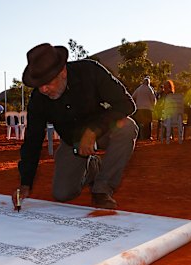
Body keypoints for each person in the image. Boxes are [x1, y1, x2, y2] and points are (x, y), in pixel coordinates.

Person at [13, 43, 138, 210]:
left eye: (48, 82)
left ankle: (102, 188)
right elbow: (32, 140)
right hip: (72, 142)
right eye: (39, 84)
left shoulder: (90, 71)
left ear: (63, 72)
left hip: (104, 130)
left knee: (127, 127)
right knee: (63, 193)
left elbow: (127, 104)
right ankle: (93, 167)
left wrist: (93, 130)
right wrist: (25, 183)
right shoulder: (38, 99)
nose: (44, 89)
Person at [131, 76, 156, 140]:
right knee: (148, 123)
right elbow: (153, 99)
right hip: (148, 108)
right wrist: (153, 106)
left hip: (139, 108)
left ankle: (138, 136)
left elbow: (133, 97)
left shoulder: (139, 89)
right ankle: (148, 136)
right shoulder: (150, 89)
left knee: (139, 123)